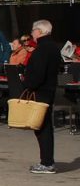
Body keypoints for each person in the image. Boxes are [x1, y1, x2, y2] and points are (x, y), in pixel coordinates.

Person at [23, 20, 60, 174]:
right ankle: (47, 161)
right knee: (45, 127)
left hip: (41, 92)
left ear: (39, 31)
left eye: (33, 31)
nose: (32, 33)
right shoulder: (53, 47)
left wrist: (28, 84)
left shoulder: (42, 49)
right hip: (49, 90)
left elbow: (38, 74)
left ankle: (47, 162)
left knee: (42, 127)